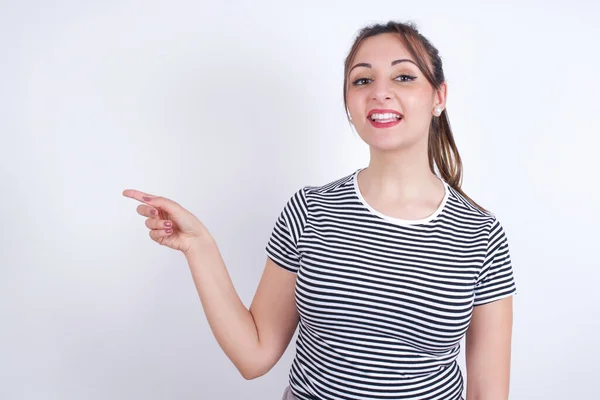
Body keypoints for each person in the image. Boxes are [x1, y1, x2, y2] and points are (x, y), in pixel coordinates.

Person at [123, 20, 517, 400]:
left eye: (403, 76)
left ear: (439, 97)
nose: (380, 92)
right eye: (363, 80)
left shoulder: (481, 234)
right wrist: (199, 247)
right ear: (349, 102)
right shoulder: (310, 211)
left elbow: (486, 392)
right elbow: (254, 355)